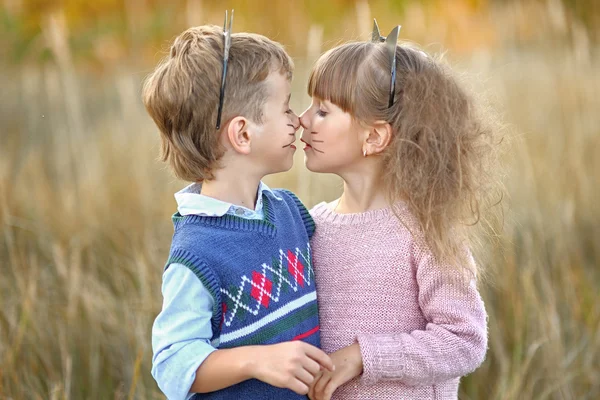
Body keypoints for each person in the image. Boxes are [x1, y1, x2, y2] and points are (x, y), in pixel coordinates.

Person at [299, 23, 500, 400]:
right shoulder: (309, 226)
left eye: (322, 111)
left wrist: (364, 356)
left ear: (374, 136)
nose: (302, 120)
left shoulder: (424, 232)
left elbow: (464, 340)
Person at [142, 19, 333, 400]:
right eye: (285, 108)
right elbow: (173, 362)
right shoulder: (196, 253)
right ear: (243, 134)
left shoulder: (289, 211)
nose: (297, 121)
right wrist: (258, 361)